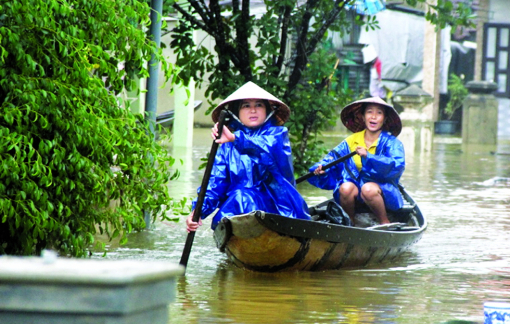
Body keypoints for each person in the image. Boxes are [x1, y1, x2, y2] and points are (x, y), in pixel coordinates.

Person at [186, 82, 311, 232]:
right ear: (236, 113)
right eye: (246, 106)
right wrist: (197, 212)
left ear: (267, 111)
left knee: (243, 196)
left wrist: (236, 139)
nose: (253, 110)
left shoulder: (278, 135)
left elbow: (266, 150)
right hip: (237, 210)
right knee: (240, 196)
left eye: (259, 105)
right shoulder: (227, 146)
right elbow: (215, 185)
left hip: (279, 210)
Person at [307, 97, 405, 225]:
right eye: (369, 112)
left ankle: (384, 222)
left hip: (383, 192)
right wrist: (321, 168)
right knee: (345, 188)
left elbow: (396, 166)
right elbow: (332, 159)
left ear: (385, 119)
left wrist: (368, 157)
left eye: (379, 113)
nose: (374, 117)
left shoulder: (392, 143)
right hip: (356, 192)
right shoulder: (351, 141)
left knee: (368, 189)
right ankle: (350, 223)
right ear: (363, 117)